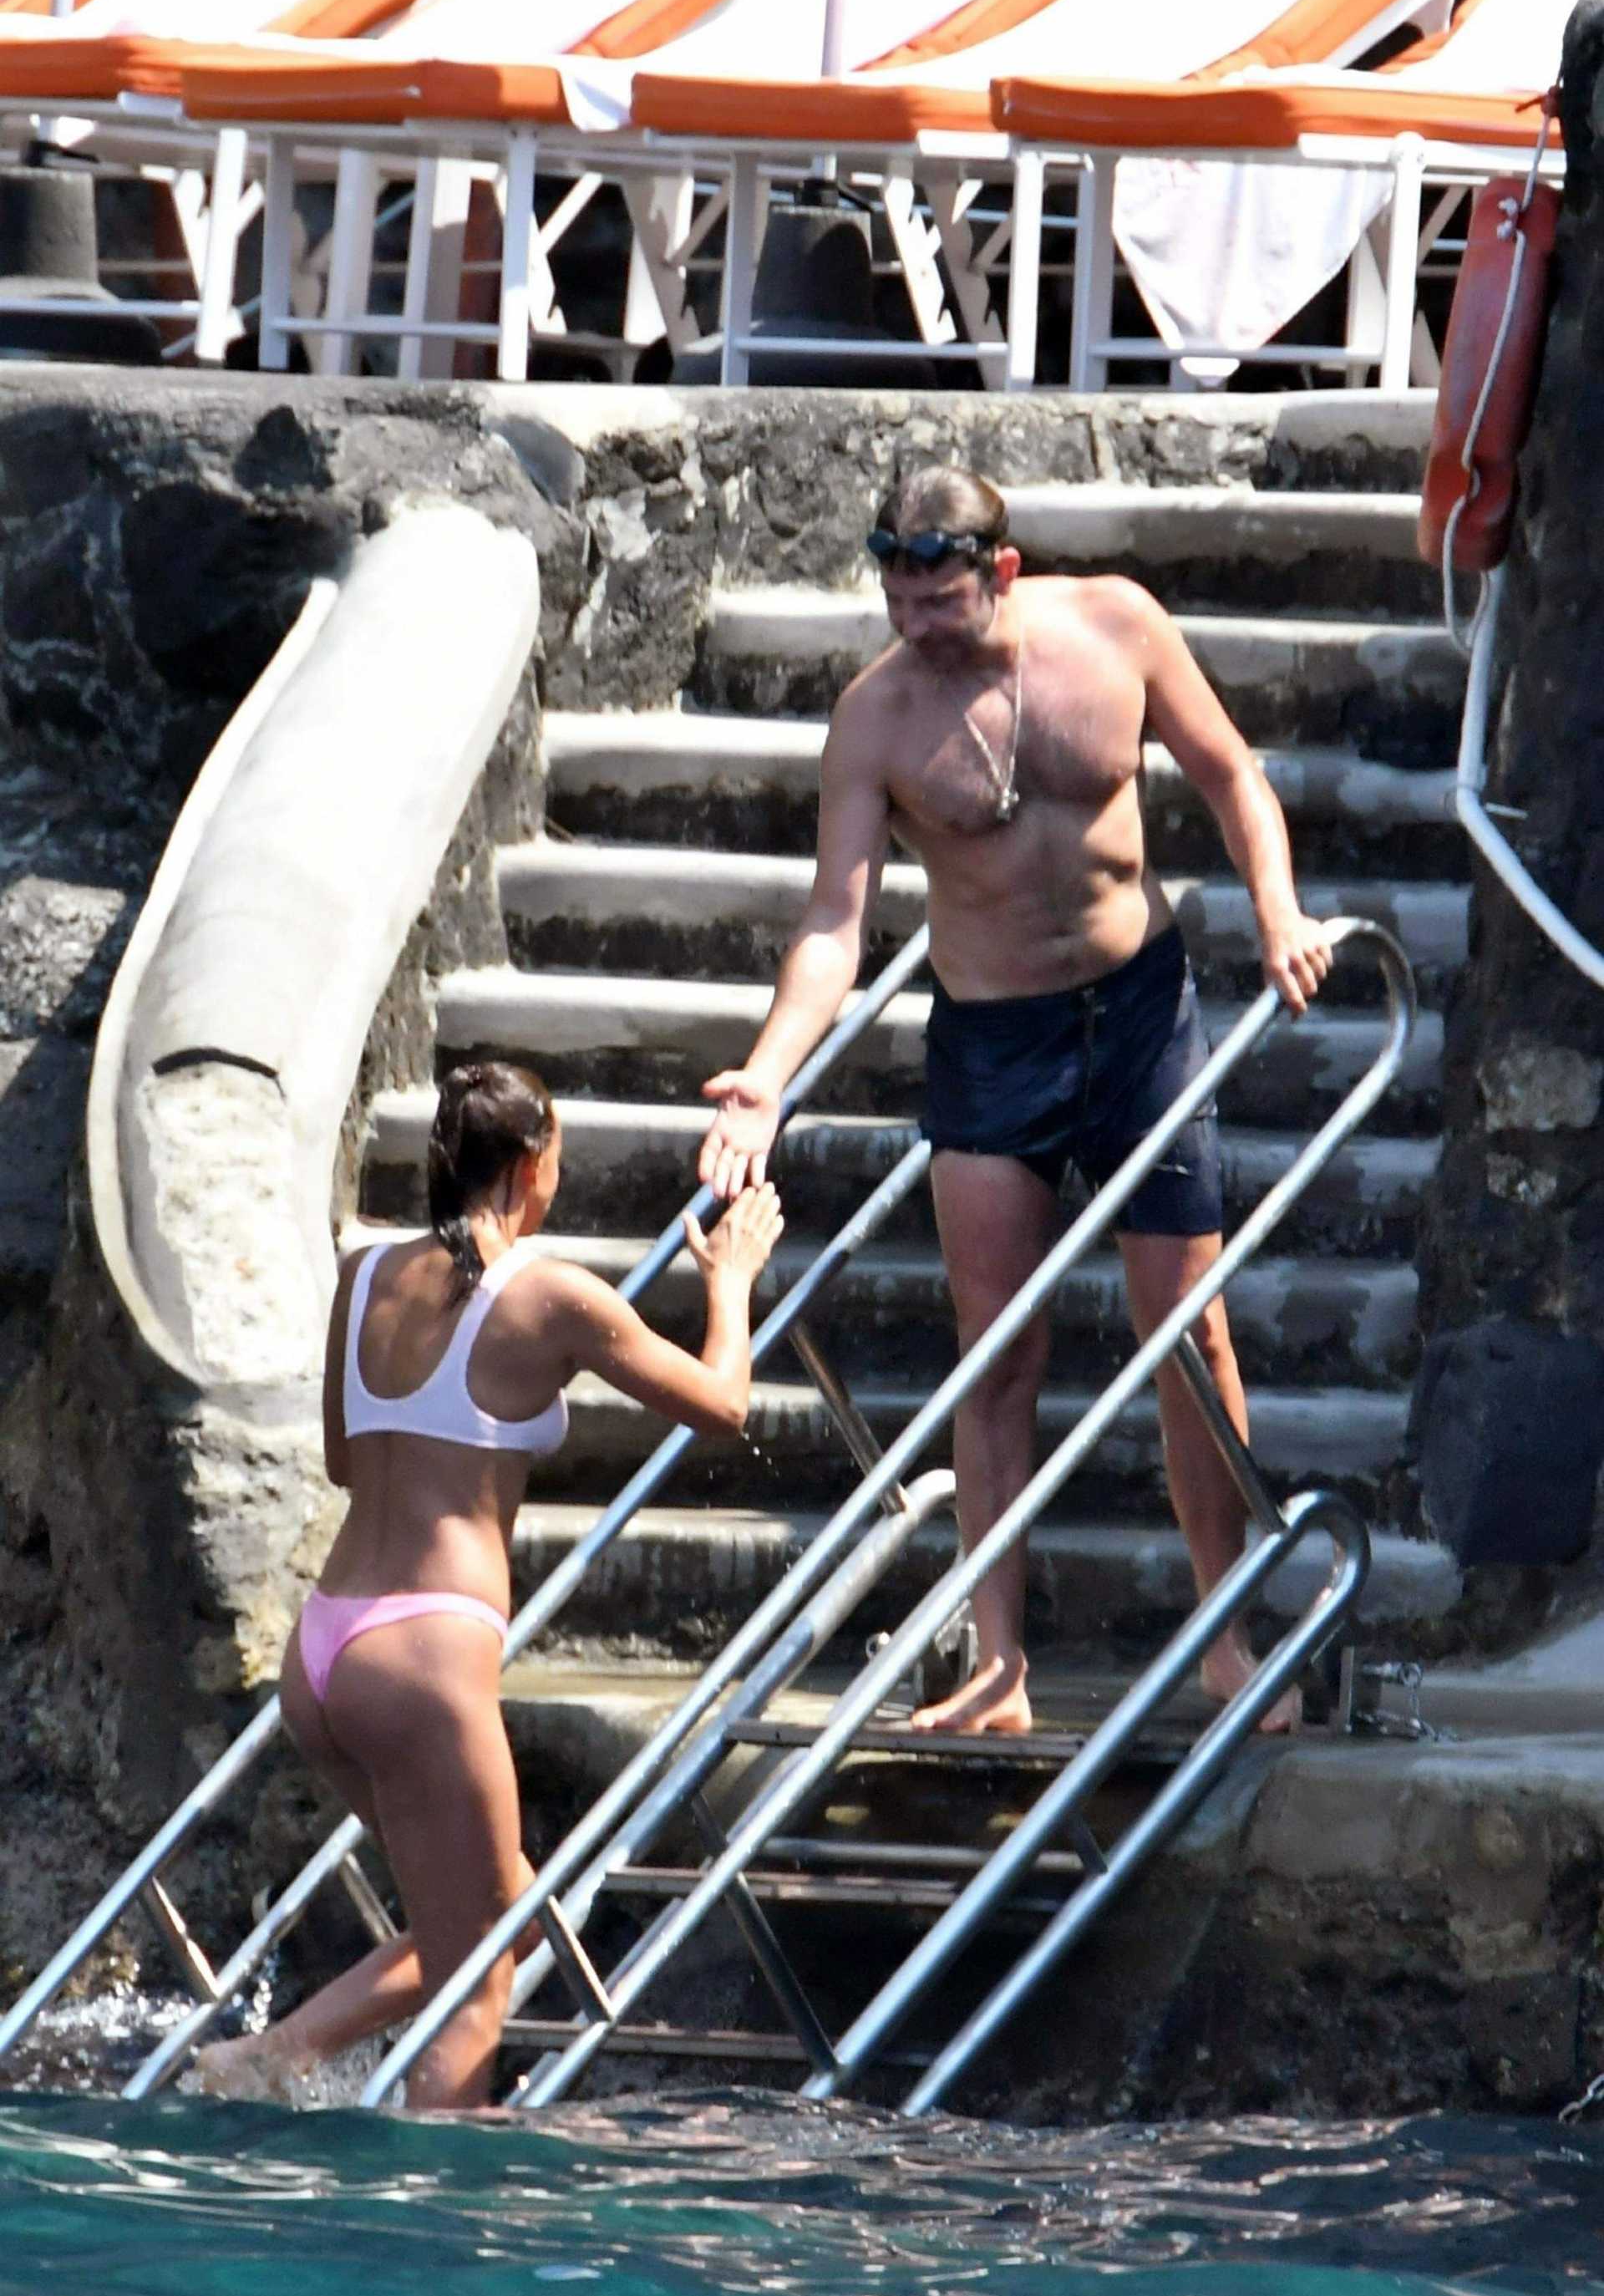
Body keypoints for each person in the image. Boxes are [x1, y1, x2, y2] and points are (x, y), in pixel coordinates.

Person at [698, 465, 1332, 1739]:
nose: (921, 626)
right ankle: (999, 1664)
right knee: (994, 1355)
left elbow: (1230, 772)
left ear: (1002, 570)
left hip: (1139, 1017)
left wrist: (1279, 909)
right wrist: (767, 1073)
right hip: (993, 1040)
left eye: (942, 601)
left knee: (1191, 1334)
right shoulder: (875, 718)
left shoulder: (1116, 625)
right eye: (901, 603)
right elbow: (833, 923)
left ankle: (1226, 1634)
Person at [195, 1059, 781, 2108]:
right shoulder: (549, 1294)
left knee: (496, 1915)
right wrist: (730, 1280)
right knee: (481, 1971)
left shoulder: (365, 1274)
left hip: (323, 1652)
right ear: (529, 1165)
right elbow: (723, 1406)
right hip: (426, 1659)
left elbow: (343, 1459)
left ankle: (285, 2057)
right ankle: (403, 2155)